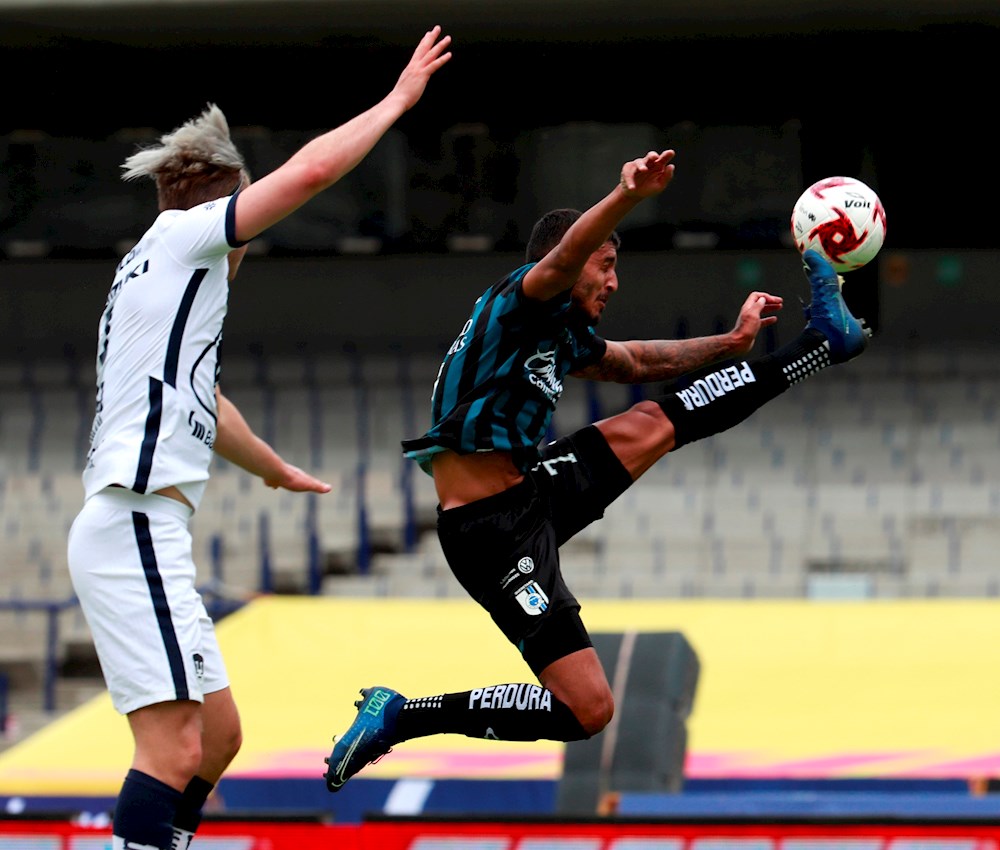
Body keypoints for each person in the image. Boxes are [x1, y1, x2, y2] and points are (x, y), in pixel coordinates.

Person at [322, 147, 871, 792]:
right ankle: (404, 716)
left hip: (530, 489)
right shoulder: (524, 299)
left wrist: (727, 343)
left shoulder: (558, 328)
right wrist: (627, 195)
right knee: (590, 709)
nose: (613, 283)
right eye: (606, 266)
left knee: (656, 423)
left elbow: (633, 361)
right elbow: (561, 257)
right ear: (574, 261)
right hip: (490, 534)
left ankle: (819, 346)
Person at [65, 26, 452, 850]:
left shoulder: (157, 275)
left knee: (219, 736)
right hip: (133, 521)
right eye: (245, 218)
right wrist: (396, 102)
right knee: (171, 749)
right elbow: (310, 172)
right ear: (220, 201)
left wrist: (274, 470)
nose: (249, 242)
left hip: (145, 524)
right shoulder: (185, 238)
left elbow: (205, 398)